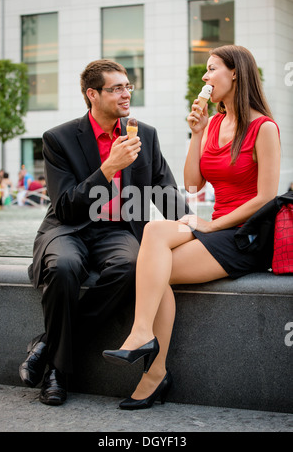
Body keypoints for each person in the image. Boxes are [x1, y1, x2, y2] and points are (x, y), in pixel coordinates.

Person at [102, 45, 281, 410]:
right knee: (155, 233)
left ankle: (152, 369)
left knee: (157, 268)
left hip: (246, 234)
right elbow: (194, 185)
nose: (204, 76)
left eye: (212, 68)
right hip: (216, 227)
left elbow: (266, 198)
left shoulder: (264, 128)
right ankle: (142, 337)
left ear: (235, 73)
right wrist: (197, 133)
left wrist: (211, 225)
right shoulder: (213, 123)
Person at [19, 59, 188, 406]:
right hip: (68, 227)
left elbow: (164, 191)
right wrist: (109, 168)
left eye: (128, 86)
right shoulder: (59, 139)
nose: (126, 94)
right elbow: (65, 205)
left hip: (118, 229)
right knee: (64, 267)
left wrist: (194, 224)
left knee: (130, 266)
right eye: (117, 88)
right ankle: (58, 374)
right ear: (92, 95)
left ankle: (48, 348)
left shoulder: (145, 134)